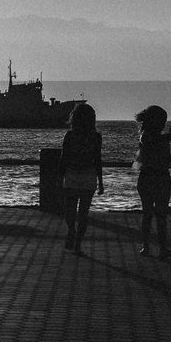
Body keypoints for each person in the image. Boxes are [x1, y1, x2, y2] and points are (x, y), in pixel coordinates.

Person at [134, 104, 171, 258]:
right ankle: (147, 246)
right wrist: (168, 138)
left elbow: (166, 160)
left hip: (161, 177)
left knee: (160, 215)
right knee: (148, 214)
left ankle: (161, 248)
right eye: (162, 120)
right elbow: (149, 142)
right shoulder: (146, 136)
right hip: (150, 177)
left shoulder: (161, 138)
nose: (164, 124)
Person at [58, 102, 103, 255]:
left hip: (71, 174)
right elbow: (97, 160)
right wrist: (101, 182)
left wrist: (60, 177)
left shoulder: (70, 136)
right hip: (89, 176)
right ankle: (78, 245)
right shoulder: (96, 137)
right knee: (83, 213)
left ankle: (71, 230)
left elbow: (63, 158)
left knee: (69, 210)